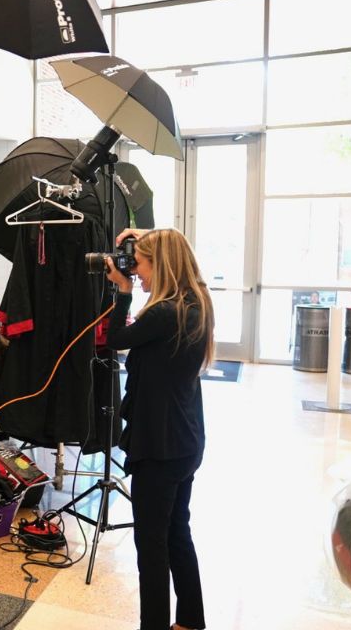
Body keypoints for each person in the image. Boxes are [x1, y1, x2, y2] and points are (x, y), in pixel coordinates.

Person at [103, 227, 215, 630]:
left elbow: (115, 339)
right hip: (184, 441)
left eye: (142, 264)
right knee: (176, 533)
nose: (137, 271)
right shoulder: (195, 303)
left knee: (151, 548)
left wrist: (123, 292)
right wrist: (146, 236)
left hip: (160, 447)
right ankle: (189, 621)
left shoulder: (165, 312)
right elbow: (172, 245)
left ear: (162, 264)